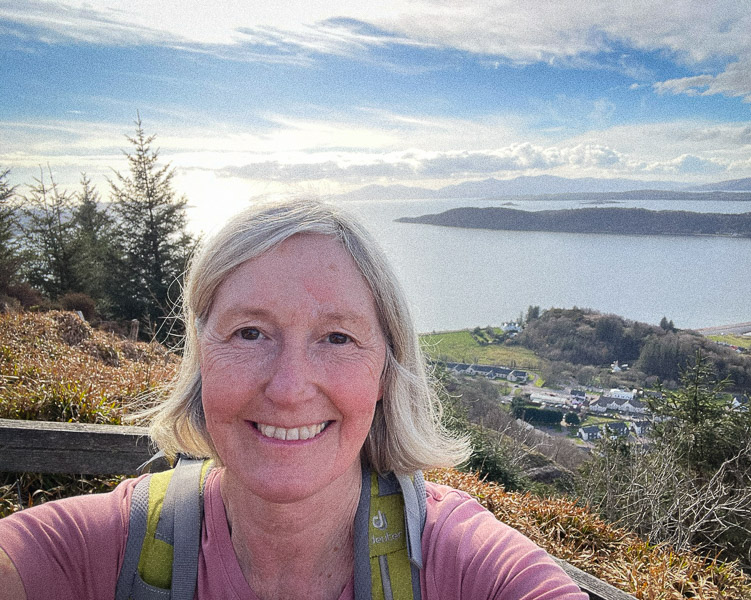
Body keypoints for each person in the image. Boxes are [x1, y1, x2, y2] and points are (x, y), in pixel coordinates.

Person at [0, 199, 588, 600]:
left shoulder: (460, 563)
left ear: (386, 373)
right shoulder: (101, 550)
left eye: (337, 338)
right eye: (249, 333)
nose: (288, 388)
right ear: (201, 360)